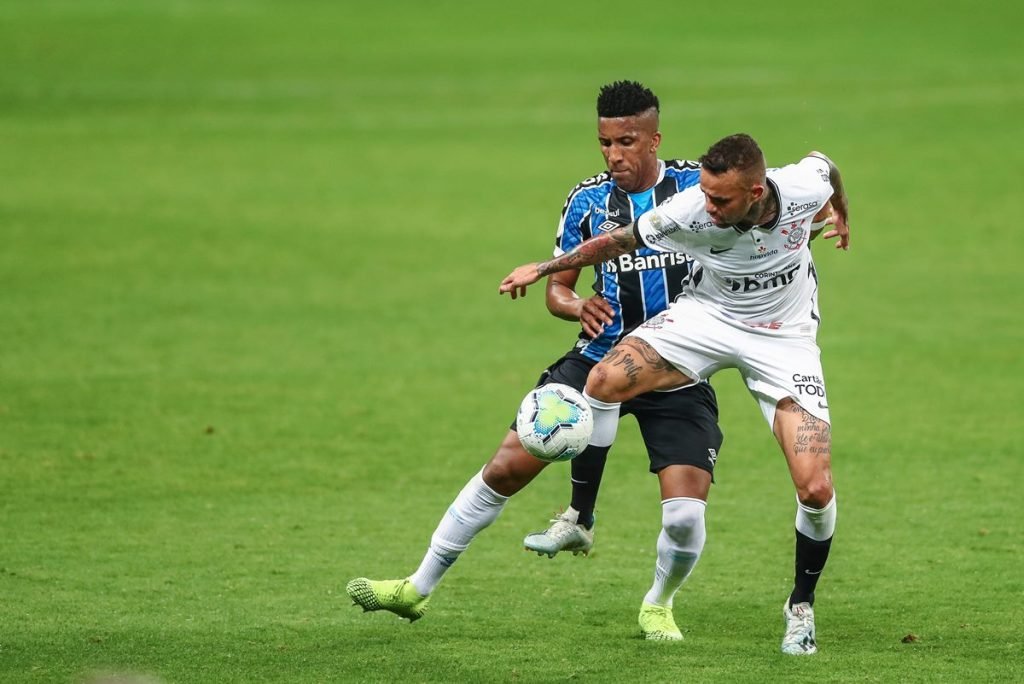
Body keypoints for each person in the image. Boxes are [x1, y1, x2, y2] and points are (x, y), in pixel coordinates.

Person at [346, 81, 724, 641]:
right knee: (504, 466)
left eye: (626, 141)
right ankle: (415, 588)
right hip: (597, 357)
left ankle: (658, 604)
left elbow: (750, 220)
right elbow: (559, 292)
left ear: (653, 139)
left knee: (686, 512)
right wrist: (578, 305)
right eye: (604, 142)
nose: (614, 154)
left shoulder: (696, 187)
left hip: (676, 372)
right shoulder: (587, 201)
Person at [499, 133, 850, 655]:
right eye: (706, 194)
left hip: (785, 339)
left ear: (757, 191)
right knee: (603, 380)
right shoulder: (688, 209)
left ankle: (800, 606)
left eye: (721, 199)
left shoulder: (800, 186)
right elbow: (616, 241)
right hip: (704, 318)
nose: (708, 206)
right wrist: (545, 268)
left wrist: (841, 209)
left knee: (816, 488)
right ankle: (580, 516)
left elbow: (827, 163)